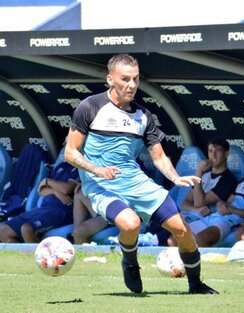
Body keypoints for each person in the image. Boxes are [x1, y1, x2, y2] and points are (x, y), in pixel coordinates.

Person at [64, 54, 218, 295]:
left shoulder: (143, 116)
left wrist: (175, 177)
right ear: (110, 79)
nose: (132, 85)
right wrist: (96, 170)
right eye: (125, 79)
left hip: (136, 183)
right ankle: (130, 261)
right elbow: (70, 152)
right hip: (101, 184)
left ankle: (196, 284)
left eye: (135, 79)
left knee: (183, 230)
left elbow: (158, 156)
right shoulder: (90, 107)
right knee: (131, 223)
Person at [187, 145, 244, 247]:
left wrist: (232, 210)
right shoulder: (243, 180)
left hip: (235, 219)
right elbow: (228, 201)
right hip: (217, 215)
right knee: (177, 238)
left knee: (201, 239)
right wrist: (221, 204)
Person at [0, 161, 78, 243]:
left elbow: (66, 189)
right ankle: (23, 255)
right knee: (2, 230)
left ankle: (38, 254)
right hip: (42, 209)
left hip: (60, 211)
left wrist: (47, 181)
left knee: (26, 229)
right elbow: (41, 191)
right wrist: (55, 192)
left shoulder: (79, 169)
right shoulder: (62, 166)